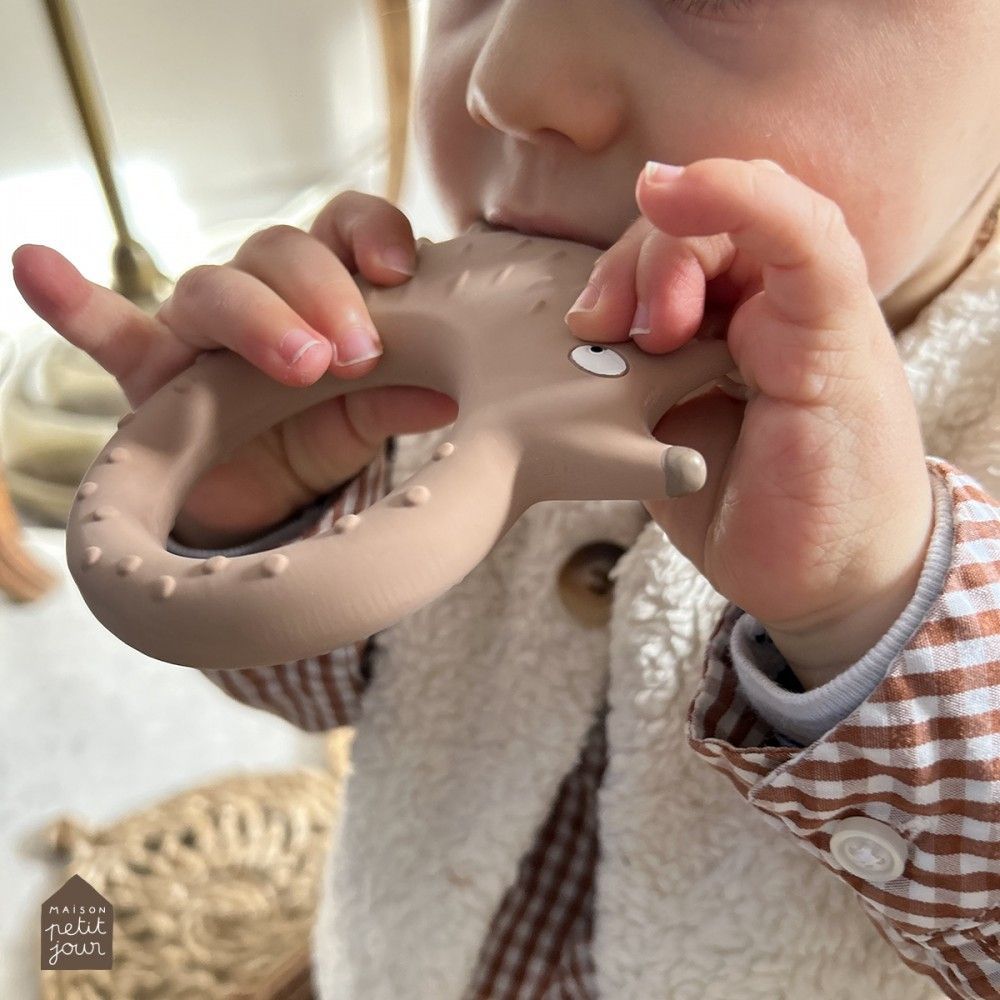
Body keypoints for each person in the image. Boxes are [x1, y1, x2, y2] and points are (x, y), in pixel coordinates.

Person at [12, 2, 1000, 997]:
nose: (506, 79)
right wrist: (262, 510)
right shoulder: (469, 321)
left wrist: (863, 607)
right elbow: (340, 694)